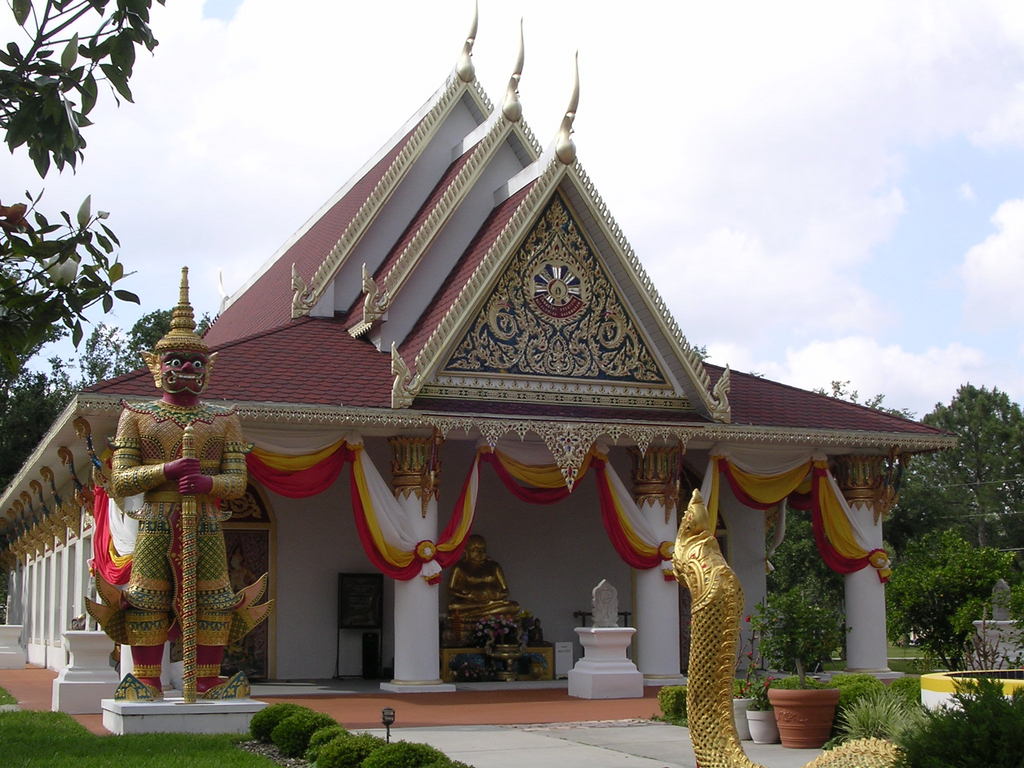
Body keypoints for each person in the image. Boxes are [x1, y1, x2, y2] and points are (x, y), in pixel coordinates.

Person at [87, 268, 268, 700]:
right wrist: (165, 472)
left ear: (208, 369)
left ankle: (206, 678)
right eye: (176, 362)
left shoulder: (223, 420)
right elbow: (121, 478)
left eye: (196, 364)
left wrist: (206, 481)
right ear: (157, 367)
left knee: (213, 599)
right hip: (156, 517)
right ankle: (147, 679)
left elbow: (237, 482)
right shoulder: (137, 416)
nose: (187, 370)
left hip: (204, 519)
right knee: (148, 597)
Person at [446, 534, 519, 619]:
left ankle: (478, 614)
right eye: (475, 550)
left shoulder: (494, 566)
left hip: (493, 602)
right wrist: (468, 596)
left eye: (482, 549)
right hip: (470, 603)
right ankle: (485, 614)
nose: (479, 553)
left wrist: (497, 595)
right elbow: (450, 590)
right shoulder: (460, 567)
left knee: (515, 606)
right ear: (466, 551)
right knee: (453, 606)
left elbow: (505, 590)